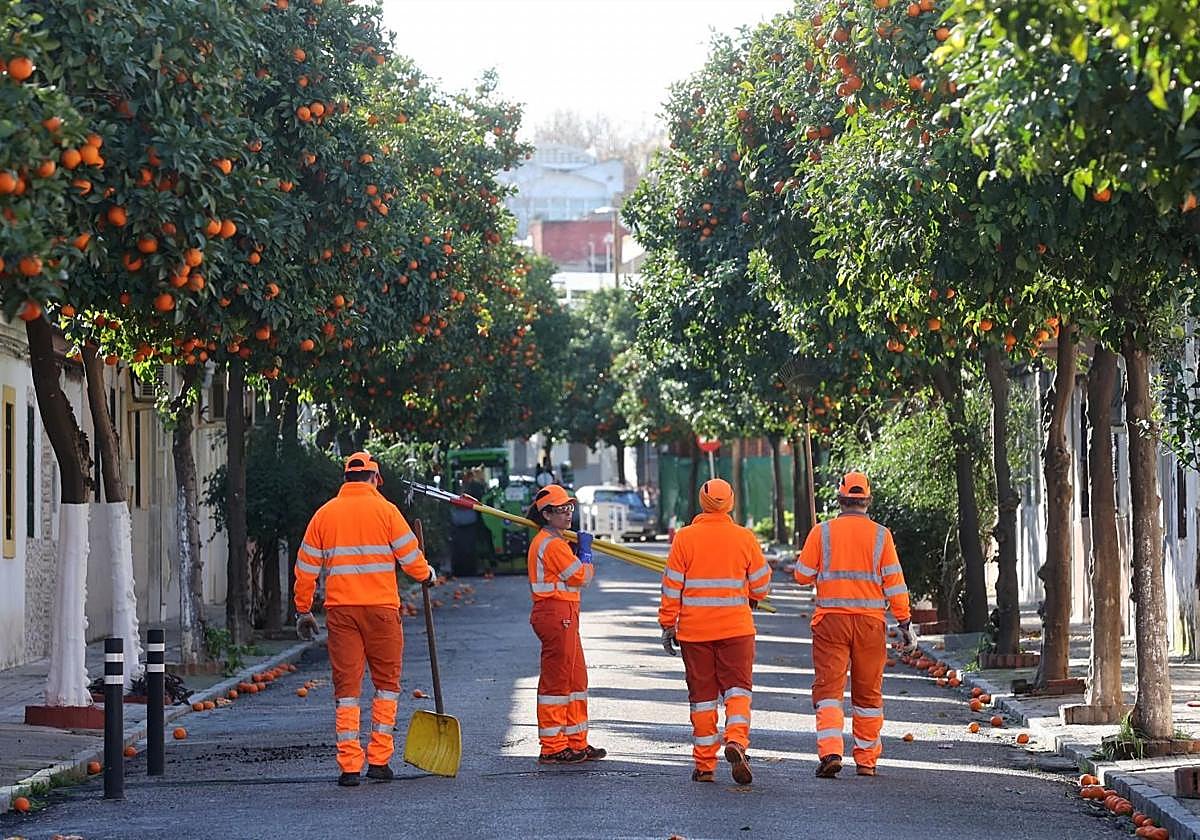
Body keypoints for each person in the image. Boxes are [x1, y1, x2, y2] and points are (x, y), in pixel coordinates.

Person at [293, 451, 436, 787]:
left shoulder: (324, 515)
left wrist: (303, 609)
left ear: (346, 478)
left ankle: (349, 767)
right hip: (382, 611)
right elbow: (411, 559)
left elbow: (306, 568)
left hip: (341, 613)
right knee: (386, 686)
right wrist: (426, 574)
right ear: (375, 479)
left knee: (347, 690)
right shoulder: (387, 510)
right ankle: (379, 760)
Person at [793, 471, 914, 779]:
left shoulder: (823, 532)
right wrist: (905, 621)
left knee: (829, 690)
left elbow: (802, 575)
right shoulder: (881, 535)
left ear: (840, 499)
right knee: (868, 693)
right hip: (870, 625)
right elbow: (895, 584)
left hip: (831, 622)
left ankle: (831, 751)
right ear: (868, 500)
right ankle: (867, 760)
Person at [659, 478, 772, 785]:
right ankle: (736, 740)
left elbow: (671, 586)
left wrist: (668, 623)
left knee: (703, 698)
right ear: (731, 502)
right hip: (736, 629)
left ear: (701, 501)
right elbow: (761, 585)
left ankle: (705, 765)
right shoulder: (745, 538)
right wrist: (751, 593)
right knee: (738, 690)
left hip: (695, 633)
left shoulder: (684, 538)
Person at [526, 483, 606, 764]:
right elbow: (581, 577)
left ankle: (576, 741)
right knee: (557, 680)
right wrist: (585, 554)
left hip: (564, 613)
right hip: (555, 613)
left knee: (575, 679)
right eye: (561, 510)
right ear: (546, 515)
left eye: (569, 508)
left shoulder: (555, 542)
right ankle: (552, 745)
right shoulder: (551, 544)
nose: (567, 514)